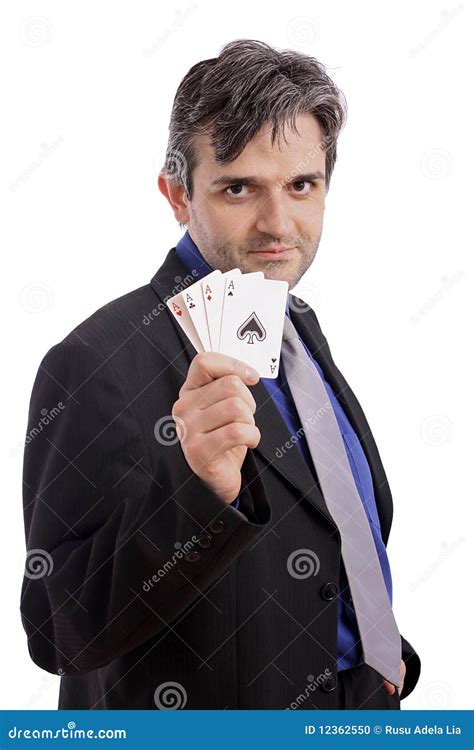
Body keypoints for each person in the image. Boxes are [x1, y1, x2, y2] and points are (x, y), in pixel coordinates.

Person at [21, 39, 420, 710]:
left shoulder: (297, 329)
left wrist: (382, 663)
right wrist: (197, 491)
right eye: (239, 187)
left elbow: (336, 534)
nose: (278, 223)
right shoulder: (98, 361)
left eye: (302, 185)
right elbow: (59, 629)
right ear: (178, 193)